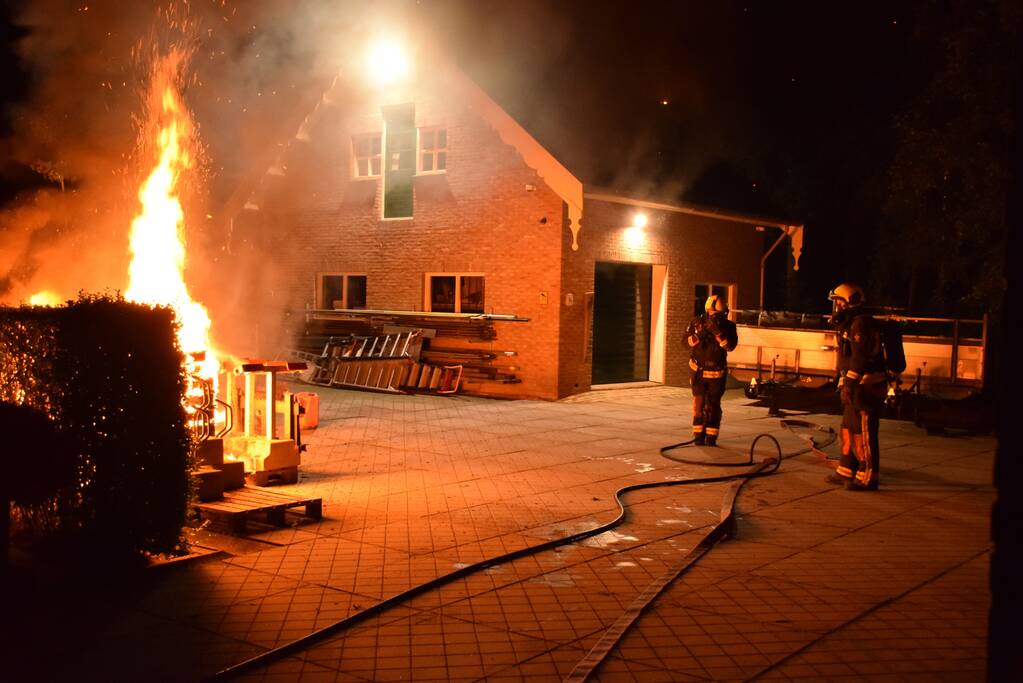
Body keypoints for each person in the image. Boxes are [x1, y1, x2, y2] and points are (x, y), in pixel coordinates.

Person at [826, 282, 885, 491]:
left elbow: (859, 358)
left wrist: (848, 384)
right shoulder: (851, 324)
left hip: (866, 387)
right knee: (848, 430)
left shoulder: (861, 325)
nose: (836, 307)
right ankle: (846, 470)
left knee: (865, 434)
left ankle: (868, 477)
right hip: (855, 386)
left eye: (839, 302)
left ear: (848, 303)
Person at [686, 294, 738, 446]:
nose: (715, 317)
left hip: (717, 373)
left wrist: (718, 333)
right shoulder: (697, 323)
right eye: (713, 314)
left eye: (718, 315)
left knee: (714, 405)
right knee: (698, 403)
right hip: (698, 372)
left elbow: (730, 346)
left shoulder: (728, 326)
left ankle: (711, 437)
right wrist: (701, 334)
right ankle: (697, 436)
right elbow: (685, 342)